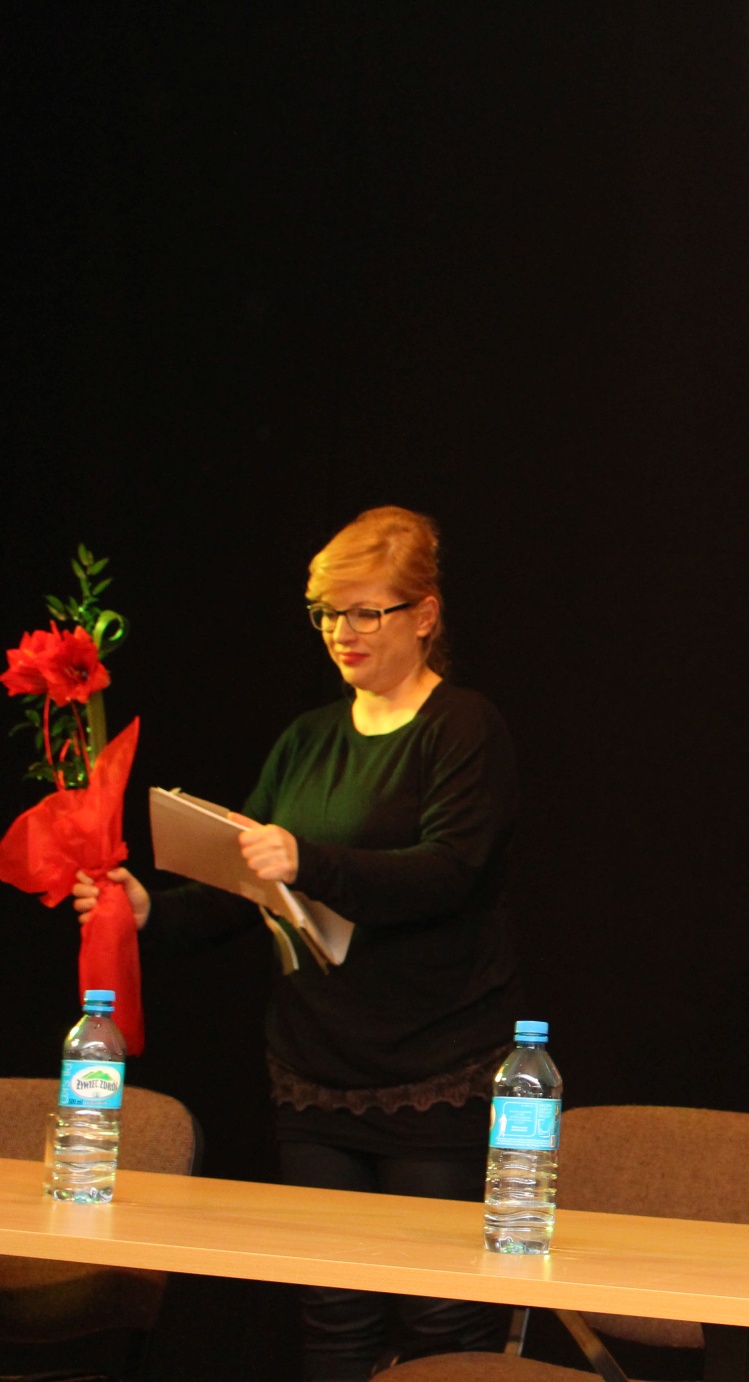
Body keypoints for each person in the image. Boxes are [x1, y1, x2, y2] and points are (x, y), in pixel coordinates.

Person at [75, 507, 520, 1381]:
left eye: (367, 612)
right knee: (333, 1317)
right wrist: (150, 913)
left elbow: (447, 873)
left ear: (424, 615)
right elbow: (249, 886)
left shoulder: (464, 728)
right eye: (326, 614)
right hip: (316, 1074)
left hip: (435, 1072)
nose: (343, 633)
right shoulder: (307, 739)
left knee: (442, 1318)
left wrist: (307, 859)